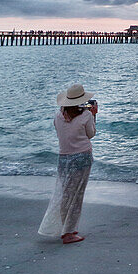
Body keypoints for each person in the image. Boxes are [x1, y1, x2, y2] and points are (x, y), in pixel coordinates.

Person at [38, 83, 99, 244]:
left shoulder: (58, 115)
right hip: (81, 157)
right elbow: (91, 134)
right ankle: (69, 233)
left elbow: (61, 132)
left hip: (63, 158)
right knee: (76, 195)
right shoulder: (85, 115)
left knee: (66, 193)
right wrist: (93, 115)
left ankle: (66, 226)